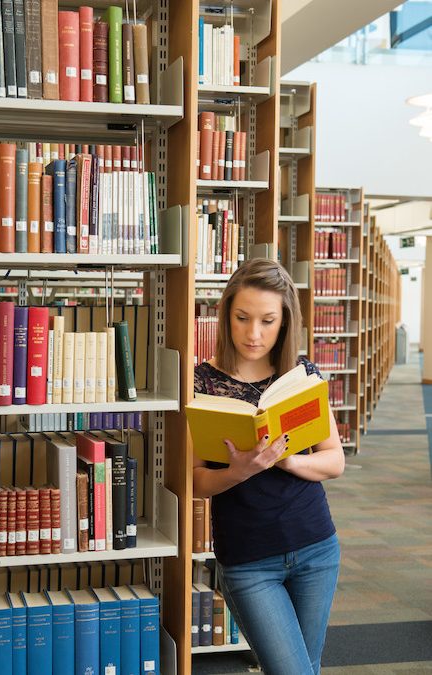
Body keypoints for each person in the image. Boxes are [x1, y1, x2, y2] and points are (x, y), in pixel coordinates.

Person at [193, 258, 345, 675]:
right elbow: (195, 483)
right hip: (248, 559)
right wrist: (241, 470)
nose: (253, 333)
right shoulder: (202, 384)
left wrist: (288, 459)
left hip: (316, 545)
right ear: (226, 316)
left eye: (267, 320)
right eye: (242, 318)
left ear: (284, 323)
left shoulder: (302, 378)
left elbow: (335, 461)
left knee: (306, 668)